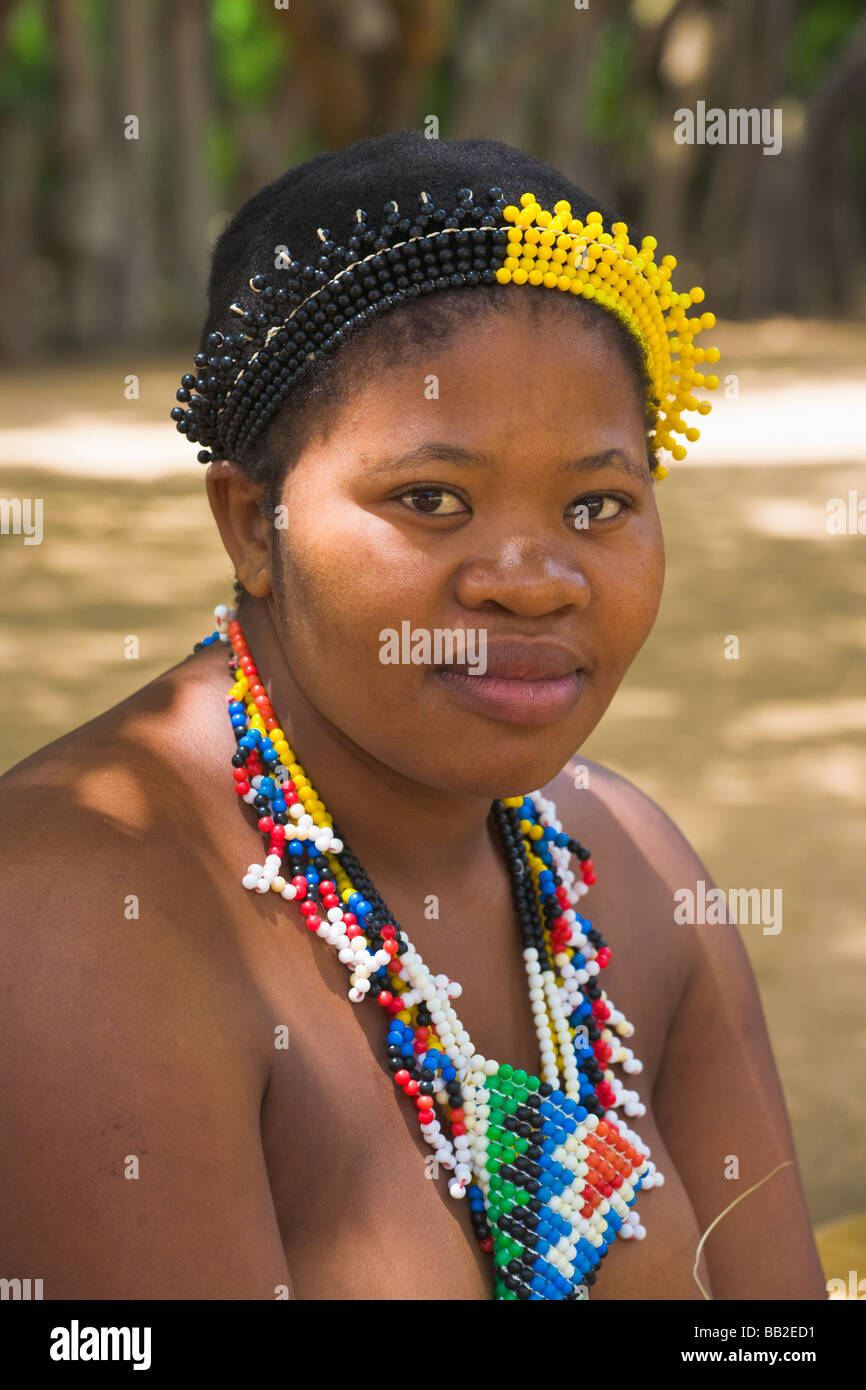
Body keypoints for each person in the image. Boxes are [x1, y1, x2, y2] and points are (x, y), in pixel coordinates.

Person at [0, 131, 826, 1301]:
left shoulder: (633, 876)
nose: (535, 579)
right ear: (250, 525)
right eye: (430, 498)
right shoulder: (80, 919)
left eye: (598, 503)